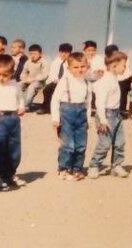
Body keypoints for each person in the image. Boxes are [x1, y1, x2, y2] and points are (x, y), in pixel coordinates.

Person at [0, 54, 26, 190]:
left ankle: (9, 174)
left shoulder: (14, 85)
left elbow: (20, 97)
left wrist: (21, 106)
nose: (2, 78)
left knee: (14, 149)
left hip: (13, 118)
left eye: (5, 75)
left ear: (12, 73)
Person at [51, 53, 92, 181]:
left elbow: (88, 103)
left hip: (81, 115)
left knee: (81, 145)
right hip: (66, 114)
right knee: (67, 144)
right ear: (69, 69)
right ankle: (64, 168)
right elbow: (55, 100)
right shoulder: (64, 82)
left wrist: (88, 119)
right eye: (76, 67)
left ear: (87, 66)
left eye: (82, 66)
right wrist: (55, 118)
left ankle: (77, 168)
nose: (80, 69)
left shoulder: (87, 83)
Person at [90, 51, 130, 179]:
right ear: (114, 66)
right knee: (105, 143)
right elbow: (100, 103)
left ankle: (116, 165)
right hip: (106, 115)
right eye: (123, 65)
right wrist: (103, 119)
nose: (125, 68)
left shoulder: (113, 78)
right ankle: (94, 165)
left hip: (116, 114)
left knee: (120, 142)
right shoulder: (105, 81)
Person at [41, 43, 72, 115]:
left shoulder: (71, 62)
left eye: (66, 53)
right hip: (56, 81)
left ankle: (62, 108)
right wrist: (55, 80)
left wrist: (61, 81)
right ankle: (46, 107)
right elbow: (52, 74)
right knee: (47, 89)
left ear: (70, 53)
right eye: (62, 52)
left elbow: (69, 75)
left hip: (67, 82)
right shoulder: (56, 61)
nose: (63, 54)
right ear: (59, 52)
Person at [19, 44, 48, 112]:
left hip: (40, 82)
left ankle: (26, 106)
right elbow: (23, 72)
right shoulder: (28, 61)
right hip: (29, 80)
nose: (32, 55)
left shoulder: (44, 62)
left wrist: (33, 79)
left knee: (32, 87)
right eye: (31, 54)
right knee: (19, 85)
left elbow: (45, 75)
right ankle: (17, 104)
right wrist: (24, 79)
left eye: (35, 53)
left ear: (40, 53)